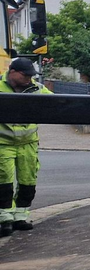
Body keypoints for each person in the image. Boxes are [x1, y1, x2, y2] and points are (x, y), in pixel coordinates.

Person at [0, 58, 52, 237]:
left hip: (28, 143)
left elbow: (54, 104)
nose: (29, 79)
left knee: (28, 181)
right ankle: (4, 220)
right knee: (3, 181)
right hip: (3, 143)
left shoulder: (37, 88)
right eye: (25, 75)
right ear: (12, 71)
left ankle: (20, 217)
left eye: (31, 76)